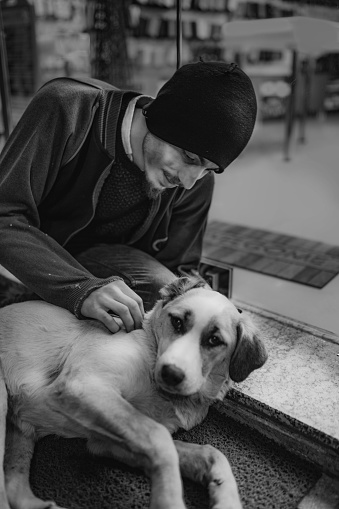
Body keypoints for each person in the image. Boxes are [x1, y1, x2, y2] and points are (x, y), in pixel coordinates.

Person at [0, 60, 257, 333]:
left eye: (208, 170)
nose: (189, 181)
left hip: (110, 265)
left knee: (170, 298)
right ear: (163, 120)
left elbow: (178, 277)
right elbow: (4, 213)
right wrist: (79, 289)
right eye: (190, 157)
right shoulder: (68, 108)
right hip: (30, 254)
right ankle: (26, 302)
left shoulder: (194, 182)